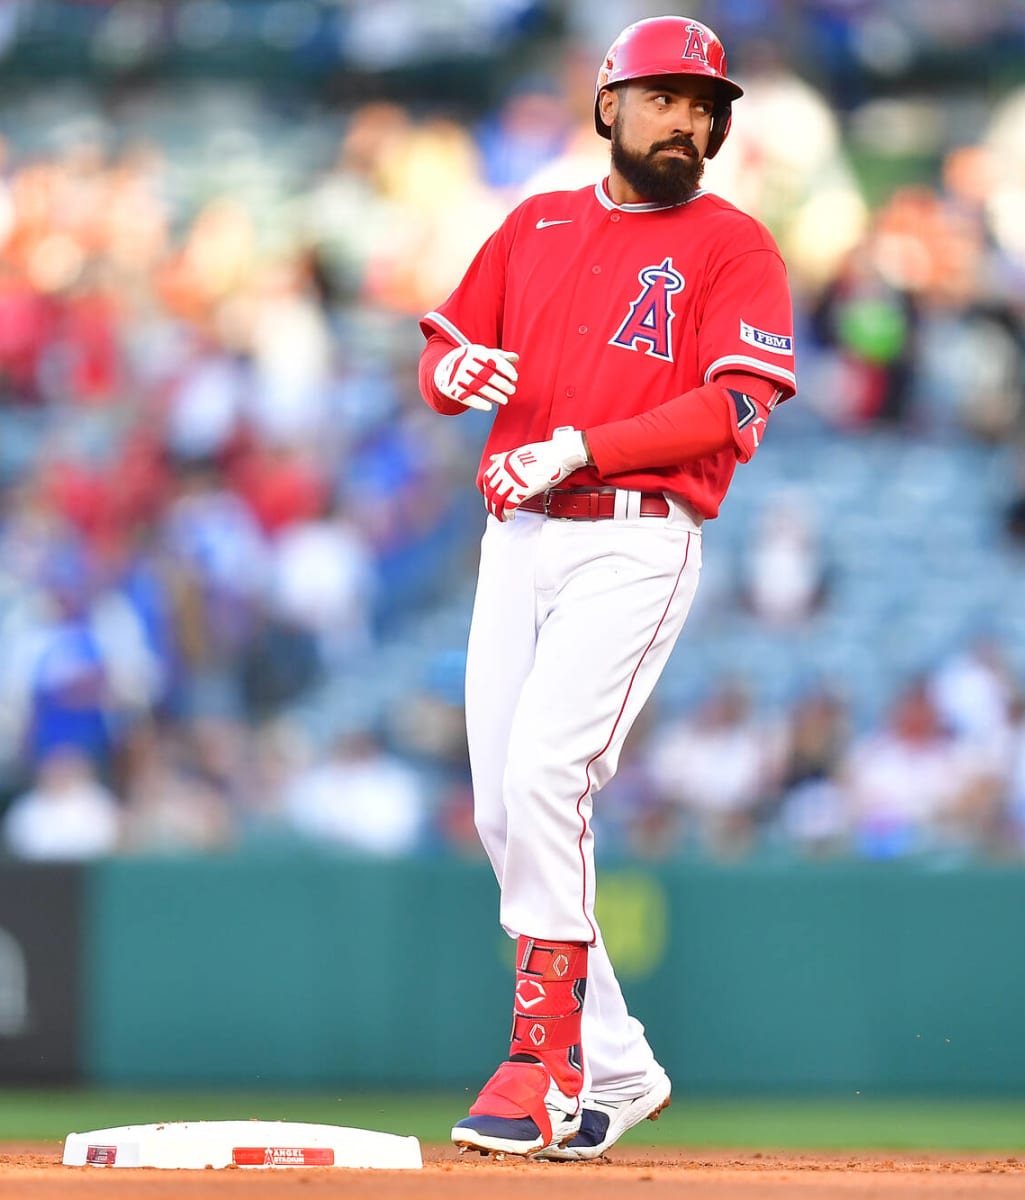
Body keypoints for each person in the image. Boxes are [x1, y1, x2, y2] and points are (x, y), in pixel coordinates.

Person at [416, 16, 795, 1160]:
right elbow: (441, 356)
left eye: (704, 104)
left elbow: (736, 407)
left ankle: (543, 1061)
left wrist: (580, 447)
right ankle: (620, 1064)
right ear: (608, 106)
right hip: (517, 538)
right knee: (499, 811)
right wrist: (455, 372)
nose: (688, 119)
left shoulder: (735, 245)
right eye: (666, 98)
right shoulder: (532, 223)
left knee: (544, 776)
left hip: (635, 537)